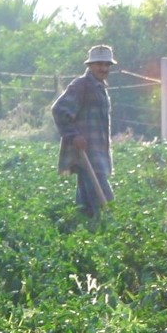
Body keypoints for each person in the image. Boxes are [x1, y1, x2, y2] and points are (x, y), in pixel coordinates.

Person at [52, 44, 117, 217]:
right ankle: (109, 227)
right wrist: (73, 135)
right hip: (86, 152)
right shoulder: (81, 85)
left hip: (98, 150)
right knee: (103, 198)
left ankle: (79, 227)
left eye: (107, 65)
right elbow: (59, 110)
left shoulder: (100, 88)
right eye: (99, 64)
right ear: (89, 65)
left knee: (85, 201)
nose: (103, 68)